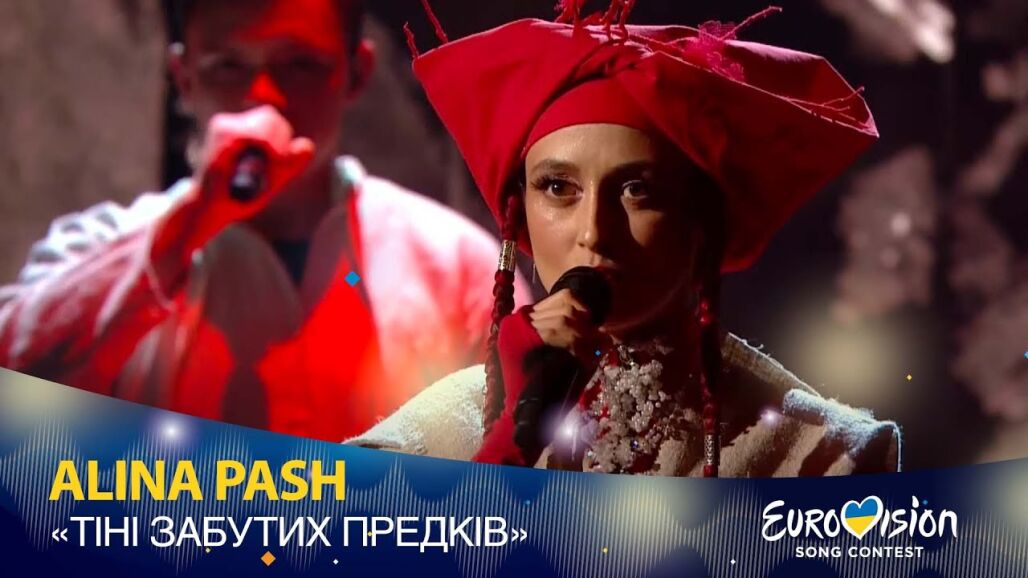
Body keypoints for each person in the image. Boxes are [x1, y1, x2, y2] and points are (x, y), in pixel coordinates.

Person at [347, 3, 902, 476]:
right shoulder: (424, 445)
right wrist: (516, 437)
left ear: (701, 219)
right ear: (519, 213)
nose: (594, 231)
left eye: (638, 190)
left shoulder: (819, 457)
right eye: (558, 187)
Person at [0, 0, 528, 442]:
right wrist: (185, 231)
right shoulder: (102, 245)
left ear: (356, 73)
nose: (264, 98)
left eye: (300, 65)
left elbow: (531, 450)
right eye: (227, 67)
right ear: (183, 78)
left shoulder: (454, 263)